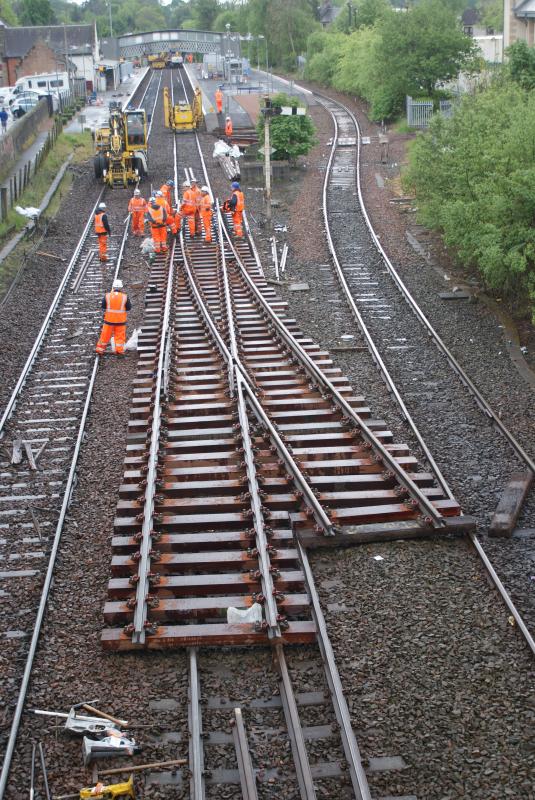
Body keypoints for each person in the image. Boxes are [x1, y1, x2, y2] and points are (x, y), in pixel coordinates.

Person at [96, 278, 131, 356]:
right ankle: (119, 351)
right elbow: (129, 308)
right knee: (119, 337)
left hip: (109, 321)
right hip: (120, 321)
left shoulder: (107, 296)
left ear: (113, 287)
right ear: (121, 288)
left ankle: (100, 349)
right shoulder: (125, 297)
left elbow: (103, 306)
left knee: (105, 336)